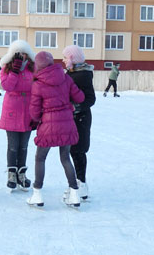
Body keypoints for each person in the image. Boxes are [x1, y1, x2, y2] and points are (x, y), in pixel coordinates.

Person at [26, 51, 85, 207]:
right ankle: (74, 194)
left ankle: (37, 194)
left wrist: (38, 120)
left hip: (48, 125)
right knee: (65, 158)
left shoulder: (38, 84)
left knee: (40, 158)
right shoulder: (65, 78)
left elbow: (34, 112)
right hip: (67, 123)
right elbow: (80, 98)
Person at [0, 40, 35, 191]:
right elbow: (7, 86)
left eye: (24, 53)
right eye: (19, 53)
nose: (22, 56)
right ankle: (12, 174)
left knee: (24, 146)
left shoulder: (33, 69)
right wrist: (15, 70)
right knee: (13, 146)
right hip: (12, 108)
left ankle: (22, 174)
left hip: (28, 109)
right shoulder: (6, 69)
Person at [62, 45, 96, 200]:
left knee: (78, 151)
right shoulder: (72, 73)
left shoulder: (82, 75)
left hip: (80, 118)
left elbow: (90, 99)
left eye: (65, 57)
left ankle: (81, 184)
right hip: (72, 117)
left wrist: (75, 108)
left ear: (72, 59)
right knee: (72, 151)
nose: (62, 60)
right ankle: (77, 182)